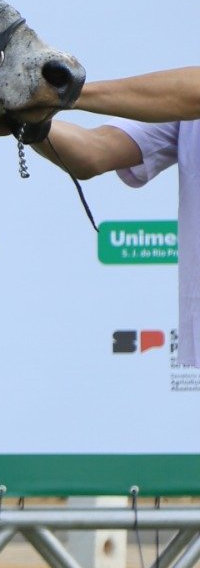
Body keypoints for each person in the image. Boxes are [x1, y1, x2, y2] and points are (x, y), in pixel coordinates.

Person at [24, 67, 200, 368]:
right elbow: (95, 151)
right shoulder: (179, 105)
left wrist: (59, 92)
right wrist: (26, 120)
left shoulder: (186, 94)